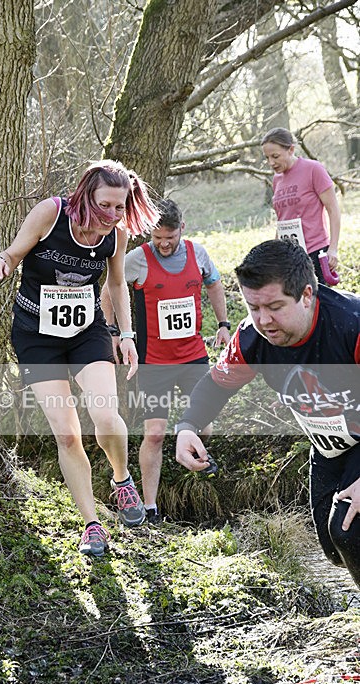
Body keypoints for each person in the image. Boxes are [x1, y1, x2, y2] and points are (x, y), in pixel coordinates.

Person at [0, 160, 159, 557]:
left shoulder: (116, 235)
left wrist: (126, 335)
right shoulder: (51, 213)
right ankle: (92, 525)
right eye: (106, 206)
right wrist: (1, 262)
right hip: (36, 337)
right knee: (66, 433)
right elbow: (14, 253)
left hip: (87, 334)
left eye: (120, 207)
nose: (113, 215)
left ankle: (121, 478)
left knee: (105, 415)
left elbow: (116, 284)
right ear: (85, 195)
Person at [174, 239, 360, 589]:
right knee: (335, 547)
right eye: (253, 307)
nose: (264, 320)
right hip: (331, 446)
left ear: (306, 295)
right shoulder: (252, 338)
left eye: (275, 306)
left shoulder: (352, 326)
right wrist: (187, 426)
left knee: (349, 530)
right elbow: (216, 385)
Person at [101, 199, 231, 524]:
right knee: (155, 434)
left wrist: (224, 325)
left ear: (181, 229)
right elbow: (108, 290)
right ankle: (150, 507)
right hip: (154, 361)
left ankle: (192, 452)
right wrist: (113, 331)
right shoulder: (137, 260)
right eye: (158, 237)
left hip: (194, 357)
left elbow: (215, 285)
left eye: (169, 237)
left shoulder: (197, 253)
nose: (163, 243)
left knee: (206, 423)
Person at [261, 127, 341, 285]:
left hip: (316, 251)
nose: (271, 162)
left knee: (319, 304)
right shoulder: (277, 180)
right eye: (267, 157)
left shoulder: (313, 169)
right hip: (290, 254)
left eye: (275, 156)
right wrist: (276, 251)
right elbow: (283, 219)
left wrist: (333, 248)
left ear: (291, 149)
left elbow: (333, 210)